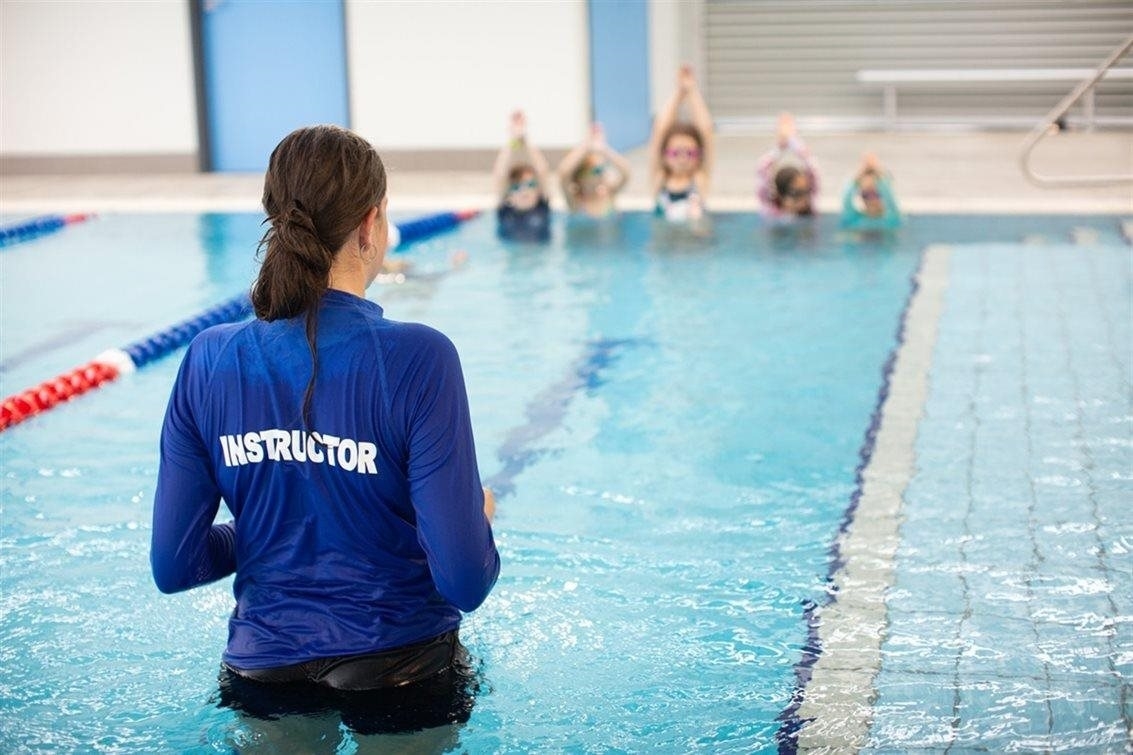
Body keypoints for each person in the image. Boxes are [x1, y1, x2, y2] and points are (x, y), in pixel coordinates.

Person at [150, 125, 500, 739]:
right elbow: (464, 581)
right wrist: (477, 520)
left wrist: (259, 533)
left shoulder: (207, 359)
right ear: (371, 224)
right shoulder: (421, 357)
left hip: (263, 673)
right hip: (402, 667)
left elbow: (174, 566)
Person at [649, 65, 715, 223]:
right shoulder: (660, 179)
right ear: (664, 156)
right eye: (676, 153)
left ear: (699, 157)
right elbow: (659, 130)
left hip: (696, 246)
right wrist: (679, 93)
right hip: (665, 246)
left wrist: (692, 91)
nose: (683, 158)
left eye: (690, 153)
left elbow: (706, 131)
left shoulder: (699, 178)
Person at [493, 110, 552, 242]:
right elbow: (500, 174)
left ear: (538, 191)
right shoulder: (505, 211)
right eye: (516, 187)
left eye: (530, 185)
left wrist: (525, 139)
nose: (524, 190)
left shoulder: (541, 208)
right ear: (509, 195)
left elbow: (542, 171)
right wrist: (512, 140)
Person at [557, 122, 631, 219]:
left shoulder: (609, 193)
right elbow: (563, 174)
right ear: (580, 177)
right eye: (597, 170)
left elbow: (626, 172)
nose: (602, 173)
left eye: (602, 169)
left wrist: (604, 149)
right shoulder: (575, 201)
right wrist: (586, 146)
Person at [756, 112, 820, 220]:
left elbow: (813, 170)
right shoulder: (771, 211)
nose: (803, 199)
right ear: (780, 195)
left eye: (806, 192)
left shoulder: (810, 210)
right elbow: (762, 170)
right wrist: (780, 148)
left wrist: (793, 141)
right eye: (796, 193)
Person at [840, 152, 902, 231]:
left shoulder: (893, 218)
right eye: (866, 195)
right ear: (860, 196)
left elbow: (891, 198)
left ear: (884, 193)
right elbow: (846, 199)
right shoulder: (854, 219)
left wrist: (878, 174)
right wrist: (857, 179)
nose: (871, 199)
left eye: (876, 194)